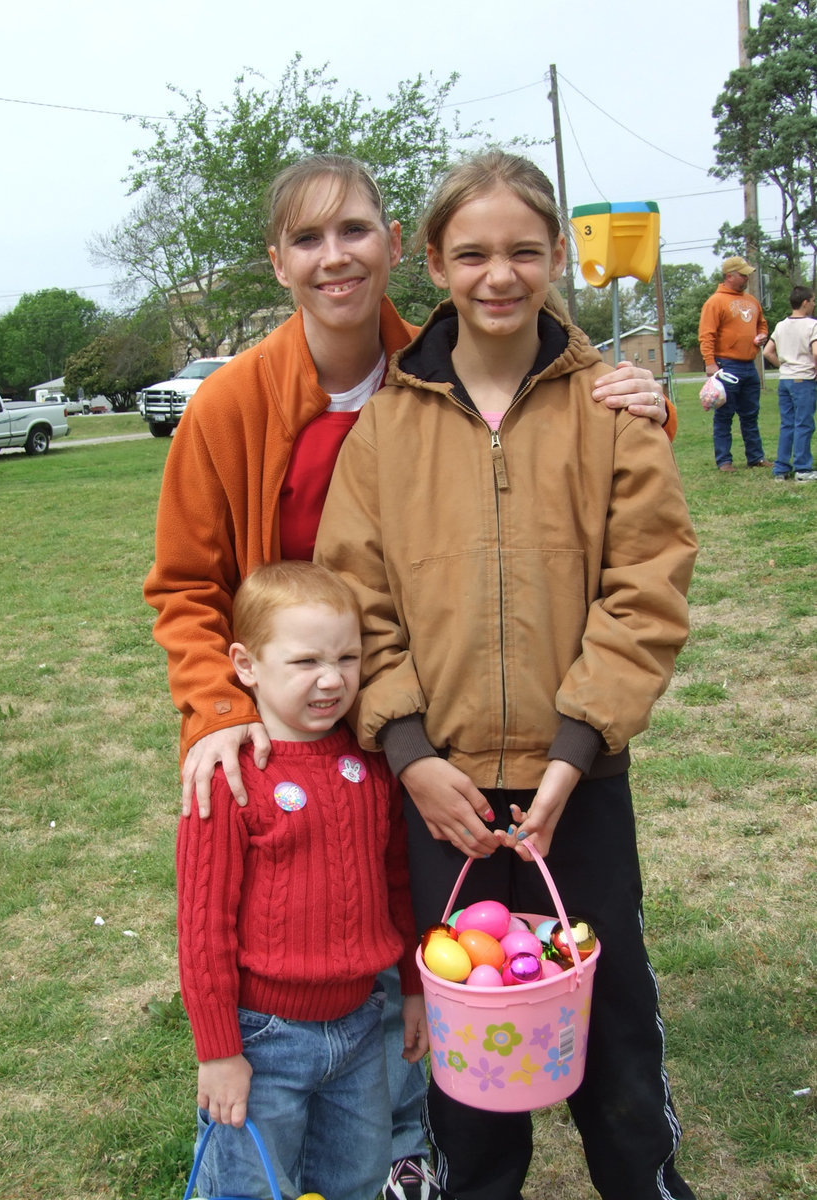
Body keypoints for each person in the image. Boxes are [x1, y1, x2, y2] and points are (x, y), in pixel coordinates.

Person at [143, 153, 677, 1200]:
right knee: (342, 960)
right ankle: (359, 1135)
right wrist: (221, 711)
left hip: (480, 744)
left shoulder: (451, 380)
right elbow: (196, 586)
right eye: (308, 238)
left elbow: (632, 570)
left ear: (397, 251)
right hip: (363, 740)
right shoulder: (253, 407)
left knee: (540, 994)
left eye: (355, 232)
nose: (335, 256)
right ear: (280, 261)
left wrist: (630, 390)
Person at [315, 150, 699, 1200]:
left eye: (524, 251)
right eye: (472, 252)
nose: (499, 275)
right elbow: (359, 604)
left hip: (580, 783)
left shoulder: (612, 413)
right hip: (444, 798)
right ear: (432, 261)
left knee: (612, 1031)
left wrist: (577, 752)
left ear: (557, 255)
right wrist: (408, 753)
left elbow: (646, 593)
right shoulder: (387, 428)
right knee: (471, 1055)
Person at [176, 560, 427, 1200]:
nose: (330, 679)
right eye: (305, 661)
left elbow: (397, 884)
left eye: (348, 658)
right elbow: (203, 929)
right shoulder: (230, 779)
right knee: (252, 1187)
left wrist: (415, 990)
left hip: (361, 1025)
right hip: (264, 1041)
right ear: (247, 664)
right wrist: (218, 1052)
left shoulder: (369, 765)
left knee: (356, 1177)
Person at [698, 255, 772, 472]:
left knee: (751, 414)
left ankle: (756, 457)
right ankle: (724, 461)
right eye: (743, 274)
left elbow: (762, 324)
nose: (747, 278)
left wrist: (762, 336)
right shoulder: (715, 302)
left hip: (750, 365)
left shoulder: (752, 301)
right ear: (730, 276)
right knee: (724, 414)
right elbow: (706, 335)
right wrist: (710, 363)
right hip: (726, 366)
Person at [762, 284, 817, 483]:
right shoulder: (812, 325)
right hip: (803, 379)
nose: (813, 304)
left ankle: (781, 469)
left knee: (787, 424)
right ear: (805, 303)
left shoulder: (781, 325)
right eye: (812, 301)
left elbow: (767, 351)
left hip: (785, 379)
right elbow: (816, 352)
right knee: (804, 423)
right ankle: (802, 468)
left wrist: (783, 366)